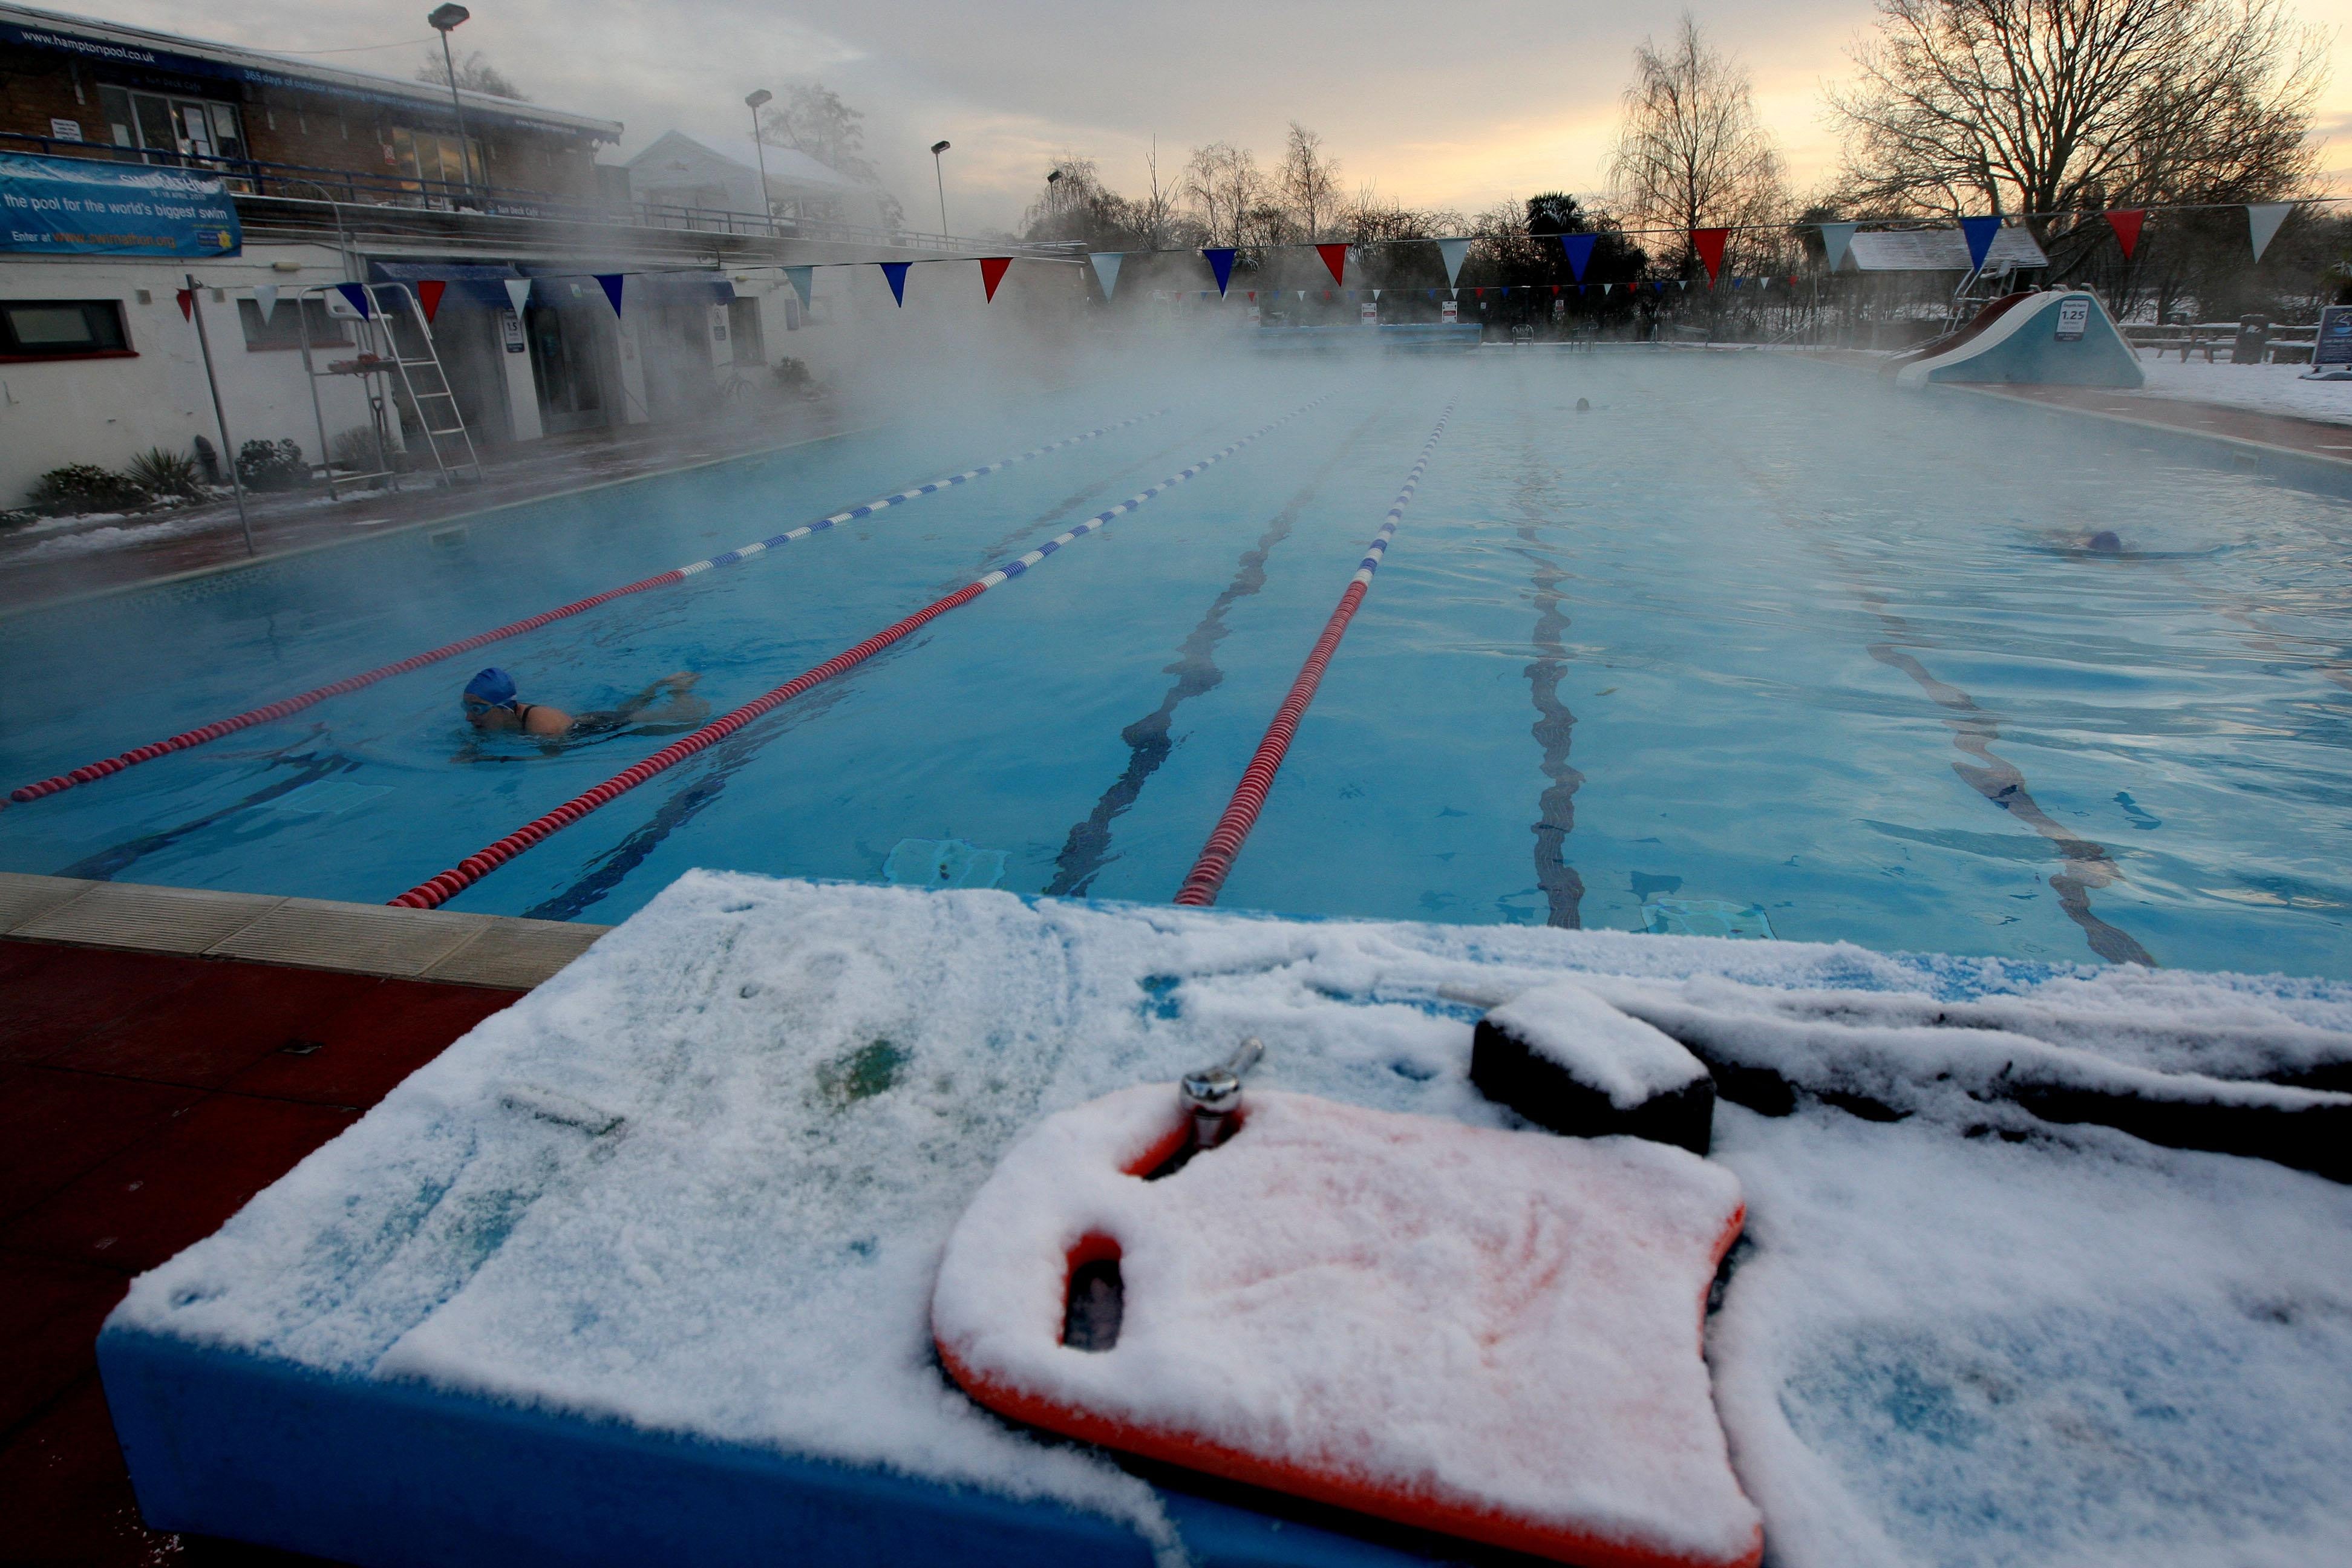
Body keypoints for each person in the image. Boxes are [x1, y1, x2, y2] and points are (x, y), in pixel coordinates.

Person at [461, 666, 706, 742]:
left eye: (477, 709)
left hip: (599, 726)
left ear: (502, 708)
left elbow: (549, 759)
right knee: (627, 708)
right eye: (467, 708)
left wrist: (492, 760)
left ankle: (680, 690)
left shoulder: (543, 726)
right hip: (586, 719)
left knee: (684, 717)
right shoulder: (501, 717)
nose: (469, 718)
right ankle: (661, 683)